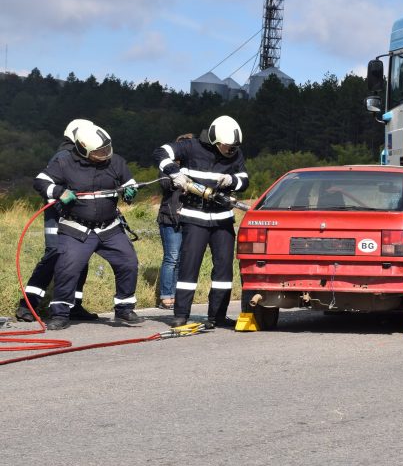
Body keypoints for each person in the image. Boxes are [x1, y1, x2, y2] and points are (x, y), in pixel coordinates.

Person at [33, 124, 143, 330]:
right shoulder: (64, 162)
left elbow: (130, 181)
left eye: (107, 149)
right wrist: (58, 191)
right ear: (83, 149)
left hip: (109, 228)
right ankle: (60, 313)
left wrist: (130, 190)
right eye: (99, 152)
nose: (105, 154)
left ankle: (124, 308)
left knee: (128, 262)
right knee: (67, 269)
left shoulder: (115, 161)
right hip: (76, 228)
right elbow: (40, 182)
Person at [153, 116, 249, 328]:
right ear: (215, 140)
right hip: (195, 217)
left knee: (224, 270)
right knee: (189, 267)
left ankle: (218, 315)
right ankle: (181, 315)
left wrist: (232, 180)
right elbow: (160, 152)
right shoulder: (190, 147)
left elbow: (244, 179)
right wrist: (174, 173)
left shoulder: (235, 153)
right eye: (227, 146)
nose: (230, 151)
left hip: (223, 219)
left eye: (234, 147)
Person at [18, 119, 97, 322]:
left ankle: (73, 305)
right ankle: (28, 305)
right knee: (54, 256)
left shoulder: (83, 157)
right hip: (58, 216)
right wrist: (62, 197)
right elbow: (45, 184)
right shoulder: (64, 156)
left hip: (78, 218)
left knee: (81, 258)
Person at [156, 133, 195, 310]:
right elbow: (165, 185)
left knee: (181, 260)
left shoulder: (193, 168)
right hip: (169, 218)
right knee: (171, 258)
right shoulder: (167, 167)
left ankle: (176, 295)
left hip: (186, 218)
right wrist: (178, 181)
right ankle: (166, 296)